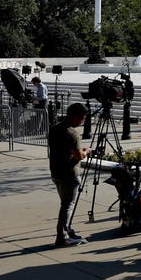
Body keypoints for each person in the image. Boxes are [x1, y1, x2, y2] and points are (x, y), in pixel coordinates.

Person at [48, 102, 90, 247]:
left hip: (55, 171)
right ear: (76, 117)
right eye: (83, 118)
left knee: (65, 203)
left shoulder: (54, 128)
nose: (83, 121)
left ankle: (67, 229)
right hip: (69, 173)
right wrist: (87, 151)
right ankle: (62, 236)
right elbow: (79, 156)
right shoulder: (72, 133)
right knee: (67, 205)